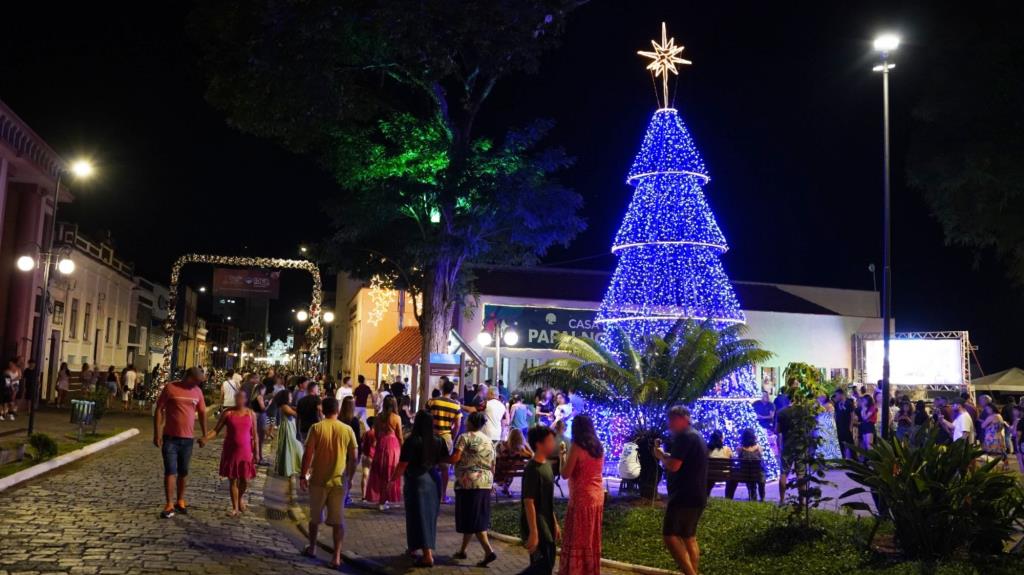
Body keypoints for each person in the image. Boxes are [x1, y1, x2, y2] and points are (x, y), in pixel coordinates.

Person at [299, 396, 358, 570]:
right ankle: (337, 556)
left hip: (318, 479)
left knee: (315, 518)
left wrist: (303, 475)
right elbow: (354, 457)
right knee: (338, 520)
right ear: (337, 410)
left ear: (322, 410)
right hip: (339, 482)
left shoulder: (316, 428)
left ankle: (312, 547)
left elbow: (308, 454)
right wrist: (350, 475)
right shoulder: (347, 430)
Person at [654, 405, 708, 575]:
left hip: (683, 495)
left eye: (671, 420)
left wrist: (661, 456)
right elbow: (682, 461)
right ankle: (694, 571)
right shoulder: (695, 435)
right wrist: (666, 455)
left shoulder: (684, 437)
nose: (670, 425)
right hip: (697, 494)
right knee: (688, 537)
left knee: (670, 536)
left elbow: (674, 466)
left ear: (681, 419)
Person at [393, 410, 449, 568]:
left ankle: (427, 556)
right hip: (433, 478)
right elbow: (444, 460)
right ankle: (415, 548)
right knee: (429, 517)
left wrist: (392, 480)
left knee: (417, 516)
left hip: (416, 480)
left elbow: (402, 465)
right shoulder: (438, 440)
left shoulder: (412, 441)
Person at [153, 367, 209, 519]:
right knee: (170, 470)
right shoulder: (171, 388)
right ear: (189, 377)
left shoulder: (197, 392)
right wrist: (157, 433)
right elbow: (159, 409)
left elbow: (203, 412)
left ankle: (180, 500)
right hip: (170, 438)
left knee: (183, 471)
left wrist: (205, 435)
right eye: (198, 381)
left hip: (187, 439)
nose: (199, 384)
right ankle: (169, 503)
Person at [447, 411, 498, 567]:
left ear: (470, 422)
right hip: (485, 482)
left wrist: (441, 459)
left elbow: (455, 458)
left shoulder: (465, 437)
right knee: (474, 516)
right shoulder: (489, 441)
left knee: (474, 519)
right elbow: (493, 464)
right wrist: (491, 483)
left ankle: (489, 551)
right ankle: (462, 550)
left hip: (468, 483)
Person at [558, 415, 604, 575]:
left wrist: (561, 456)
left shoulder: (577, 447)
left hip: (582, 497)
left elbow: (565, 473)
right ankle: (589, 569)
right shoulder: (598, 446)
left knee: (578, 535)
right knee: (591, 536)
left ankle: (576, 570)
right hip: (597, 496)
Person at [207, 387, 257, 517]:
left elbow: (255, 435)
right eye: (237, 398)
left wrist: (256, 452)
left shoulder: (251, 414)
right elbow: (216, 430)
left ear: (245, 400)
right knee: (233, 479)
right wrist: (205, 438)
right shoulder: (228, 413)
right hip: (231, 451)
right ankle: (235, 507)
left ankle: (239, 498)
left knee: (244, 479)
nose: (239, 400)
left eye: (241, 398)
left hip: (246, 451)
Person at [519, 426, 559, 575]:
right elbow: (528, 501)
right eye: (550, 441)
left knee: (547, 562)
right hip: (538, 523)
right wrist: (534, 532)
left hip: (547, 521)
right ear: (539, 444)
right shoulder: (532, 469)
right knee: (542, 565)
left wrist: (554, 522)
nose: (553, 443)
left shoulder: (547, 466)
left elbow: (548, 498)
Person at [426, 378, 462, 504]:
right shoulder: (455, 405)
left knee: (430, 464)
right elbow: (457, 425)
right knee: (445, 467)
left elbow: (426, 417)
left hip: (432, 435)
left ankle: (429, 493)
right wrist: (453, 436)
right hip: (446, 437)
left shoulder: (432, 402)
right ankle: (443, 495)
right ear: (452, 391)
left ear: (442, 389)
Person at [366, 395, 403, 510]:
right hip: (393, 446)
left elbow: (376, 434)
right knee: (391, 471)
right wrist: (403, 448)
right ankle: (385, 499)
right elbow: (400, 436)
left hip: (381, 444)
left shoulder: (378, 417)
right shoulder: (396, 418)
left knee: (380, 472)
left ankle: (380, 500)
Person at [273, 389, 304, 480]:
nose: (291, 398)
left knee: (294, 447)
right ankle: (292, 467)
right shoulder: (284, 406)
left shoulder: (287, 406)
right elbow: (295, 414)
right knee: (293, 446)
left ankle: (294, 467)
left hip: (291, 426)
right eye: (290, 396)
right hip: (288, 427)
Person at [496, 427, 534, 496]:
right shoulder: (521, 451)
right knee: (511, 469)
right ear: (521, 438)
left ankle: (502, 485)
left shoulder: (502, 446)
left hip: (499, 473)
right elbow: (532, 456)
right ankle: (506, 487)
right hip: (510, 473)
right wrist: (525, 446)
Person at [738, 428, 766, 501]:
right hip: (758, 474)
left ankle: (753, 497)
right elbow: (761, 457)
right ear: (754, 437)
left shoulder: (740, 449)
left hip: (747, 475)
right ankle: (762, 497)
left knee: (751, 478)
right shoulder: (758, 448)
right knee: (761, 471)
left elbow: (739, 459)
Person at [705, 429, 733, 497]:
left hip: (710, 475)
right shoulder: (727, 449)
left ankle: (706, 495)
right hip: (724, 475)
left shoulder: (706, 449)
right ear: (721, 438)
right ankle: (728, 498)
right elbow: (731, 460)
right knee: (732, 479)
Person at [815, 395, 842, 459]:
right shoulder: (824, 405)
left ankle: (829, 459)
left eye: (821, 396)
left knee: (828, 442)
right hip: (824, 427)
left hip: (827, 427)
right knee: (824, 443)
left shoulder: (827, 405)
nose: (819, 397)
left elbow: (818, 412)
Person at [832, 388, 855, 458]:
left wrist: (851, 426)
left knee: (849, 443)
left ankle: (852, 459)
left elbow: (852, 415)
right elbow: (835, 414)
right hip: (839, 426)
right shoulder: (837, 403)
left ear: (841, 394)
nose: (836, 397)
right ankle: (842, 459)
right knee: (840, 443)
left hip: (847, 426)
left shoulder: (849, 403)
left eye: (837, 395)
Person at [1012, 405, 1024, 473]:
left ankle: (1022, 472)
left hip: (1019, 441)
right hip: (1020, 440)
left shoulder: (1018, 420)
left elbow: (1015, 433)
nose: (1013, 411)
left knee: (1020, 458)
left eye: (1014, 410)